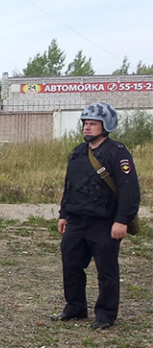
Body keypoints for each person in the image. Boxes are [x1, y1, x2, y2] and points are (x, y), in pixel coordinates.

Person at [52, 103, 140, 330]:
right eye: (85, 123)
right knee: (71, 265)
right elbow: (70, 185)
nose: (87, 128)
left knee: (106, 271)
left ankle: (106, 314)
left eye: (93, 123)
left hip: (105, 223)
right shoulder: (78, 152)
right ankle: (75, 307)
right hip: (77, 221)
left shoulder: (117, 153)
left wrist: (122, 220)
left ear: (105, 126)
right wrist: (64, 214)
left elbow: (129, 189)